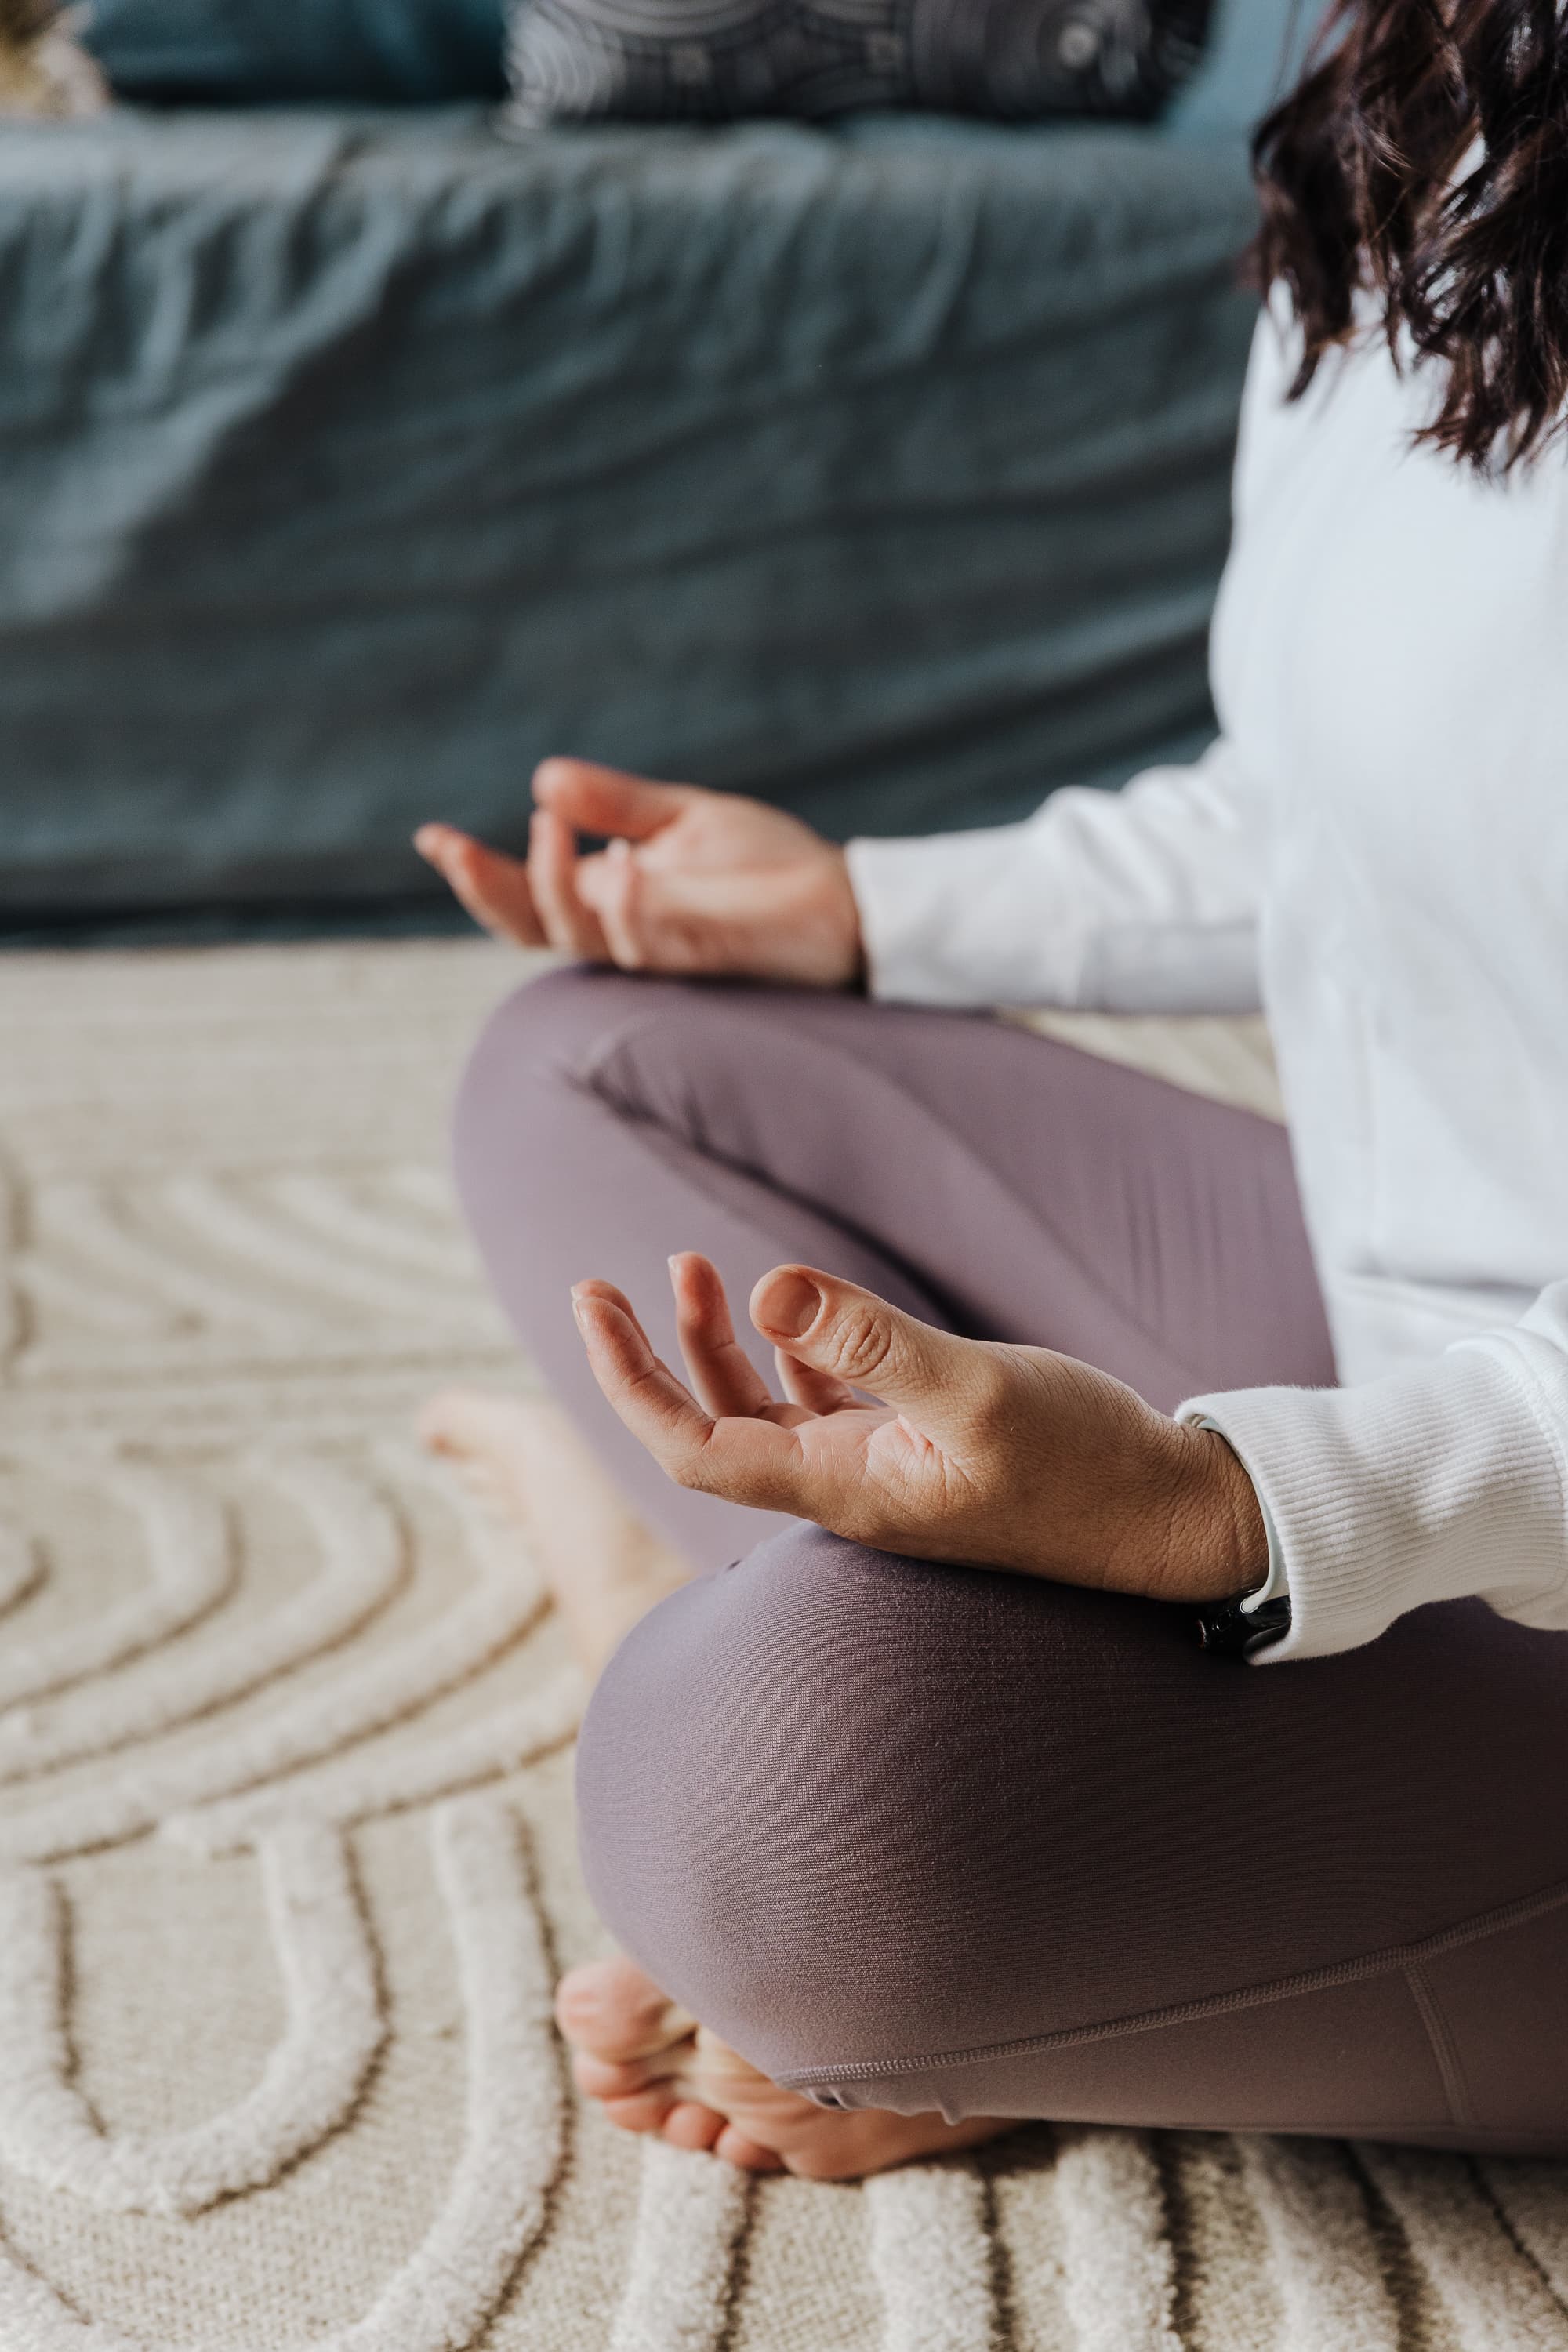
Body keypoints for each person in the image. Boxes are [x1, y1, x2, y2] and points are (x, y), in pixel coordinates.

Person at [413, 0, 1568, 2180]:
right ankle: (1060, 1860)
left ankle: (694, 1650)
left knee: (794, 1783)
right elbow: (1342, 822)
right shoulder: (1431, 102)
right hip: (1439, 1367)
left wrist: (1208, 1515)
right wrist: (861, 908)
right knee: (603, 1056)